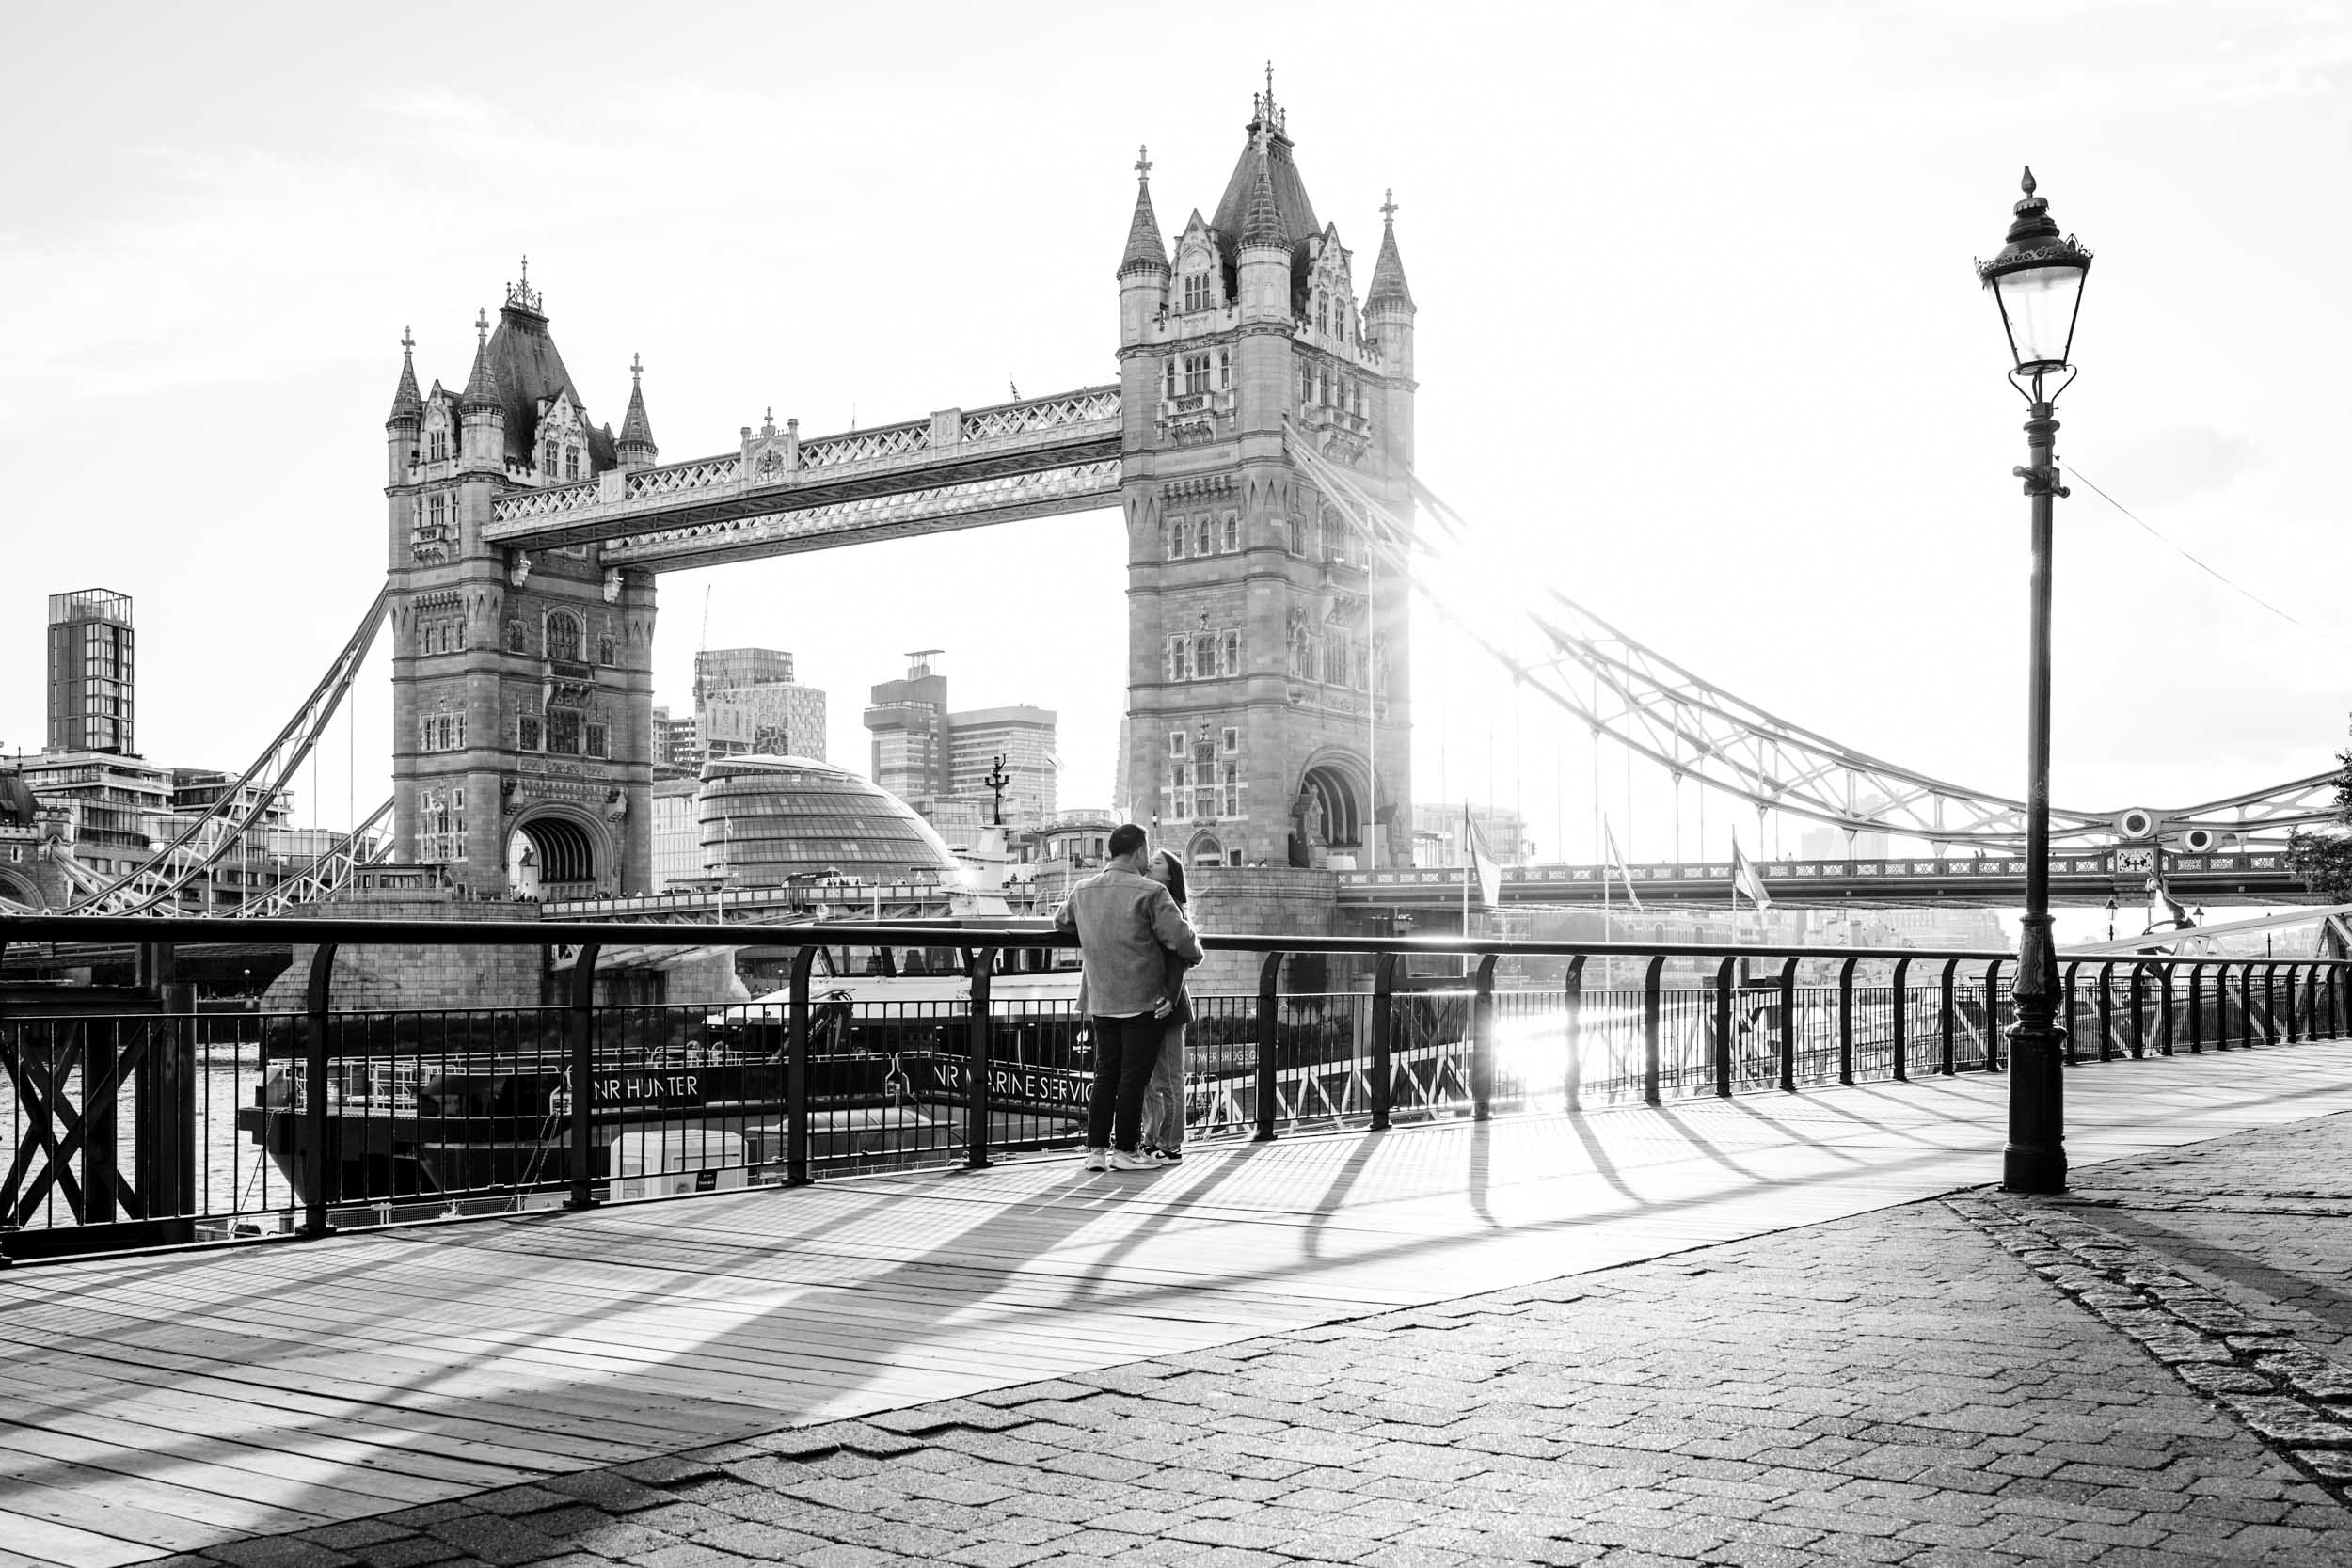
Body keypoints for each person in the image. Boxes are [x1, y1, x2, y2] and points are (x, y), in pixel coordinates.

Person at [1056, 823, 1202, 1172]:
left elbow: (1061, 921)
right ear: (1138, 851)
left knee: (1105, 1074)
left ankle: (1094, 1151)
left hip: (1102, 998)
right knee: (1133, 1079)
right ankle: (1125, 1150)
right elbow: (1182, 941)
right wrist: (1195, 954)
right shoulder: (1151, 892)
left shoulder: (1083, 889)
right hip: (1142, 999)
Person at [1138, 848, 1195, 1163]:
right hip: (1150, 1002)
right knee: (1150, 1080)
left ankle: (1171, 1144)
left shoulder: (1174, 910)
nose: (1150, 864)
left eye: (1157, 863)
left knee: (1169, 1079)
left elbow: (1178, 961)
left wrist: (1170, 998)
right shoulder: (1152, 901)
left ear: (1170, 875)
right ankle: (1152, 1138)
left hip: (1169, 1007)